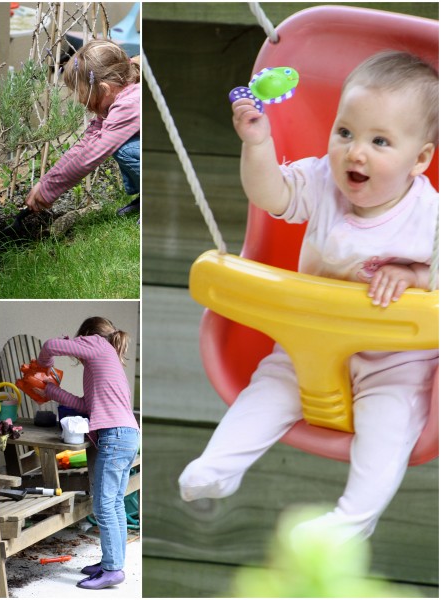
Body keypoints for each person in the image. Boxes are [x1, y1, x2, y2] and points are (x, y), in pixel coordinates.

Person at [179, 51, 439, 543]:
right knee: (266, 392)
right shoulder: (322, 181)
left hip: (395, 362)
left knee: (386, 430)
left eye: (380, 141)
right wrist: (258, 144)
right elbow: (270, 196)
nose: (354, 152)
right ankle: (218, 466)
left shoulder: (430, 214)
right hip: (305, 347)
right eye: (345, 132)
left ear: (420, 159)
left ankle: (353, 520)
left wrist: (415, 272)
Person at [35, 316, 140, 589]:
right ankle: (111, 562)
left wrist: (43, 366)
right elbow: (85, 405)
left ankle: (113, 569)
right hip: (126, 435)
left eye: (80, 341)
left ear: (88, 336)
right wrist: (51, 390)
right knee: (113, 504)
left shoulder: (97, 344)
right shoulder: (106, 359)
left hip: (115, 437)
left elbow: (50, 345)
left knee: (104, 505)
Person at [25, 40, 140, 219]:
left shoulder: (130, 104)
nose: (80, 100)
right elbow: (86, 144)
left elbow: (92, 154)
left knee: (124, 148)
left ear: (104, 89)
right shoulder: (119, 99)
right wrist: (45, 183)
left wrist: (50, 190)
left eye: (82, 93)